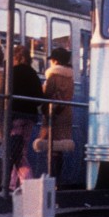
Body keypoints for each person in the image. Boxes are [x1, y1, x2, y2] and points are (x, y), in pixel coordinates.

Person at [7, 43, 43, 191]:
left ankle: (28, 185)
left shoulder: (13, 72)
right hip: (30, 117)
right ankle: (12, 186)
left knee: (16, 153)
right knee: (20, 151)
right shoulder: (33, 74)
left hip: (15, 116)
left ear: (17, 57)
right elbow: (39, 97)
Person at [39, 47, 75, 176]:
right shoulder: (70, 77)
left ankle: (50, 176)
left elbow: (47, 94)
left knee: (50, 146)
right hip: (65, 113)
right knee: (59, 148)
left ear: (55, 61)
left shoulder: (53, 76)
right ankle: (57, 178)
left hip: (53, 113)